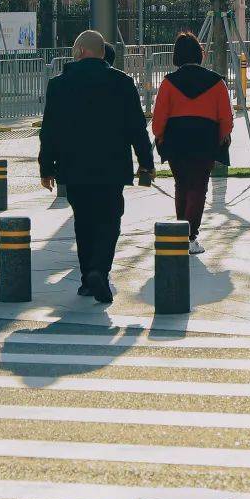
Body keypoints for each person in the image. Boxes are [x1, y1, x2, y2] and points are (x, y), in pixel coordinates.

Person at [39, 28, 154, 303]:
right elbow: (137, 127)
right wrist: (146, 163)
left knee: (83, 221)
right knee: (110, 219)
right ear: (102, 53)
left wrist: (46, 167)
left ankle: (87, 278)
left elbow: (49, 130)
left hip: (73, 165)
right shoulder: (122, 82)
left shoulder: (58, 85)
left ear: (79, 51)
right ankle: (99, 271)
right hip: (112, 165)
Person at [152, 31, 234, 254]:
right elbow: (226, 118)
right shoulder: (217, 82)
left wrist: (160, 136)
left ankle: (181, 232)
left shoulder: (168, 83)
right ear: (200, 53)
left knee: (181, 185)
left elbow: (159, 118)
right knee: (199, 186)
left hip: (176, 140)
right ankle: (191, 236)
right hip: (205, 139)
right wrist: (222, 137)